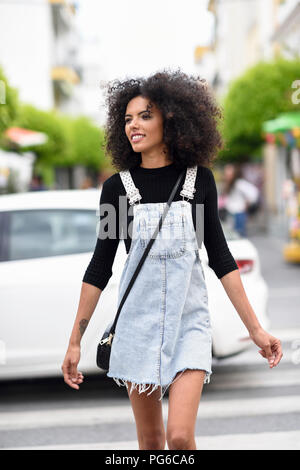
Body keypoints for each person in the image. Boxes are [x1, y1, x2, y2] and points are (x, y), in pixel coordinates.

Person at [61, 70, 283, 450]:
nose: (134, 125)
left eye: (145, 115)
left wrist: (257, 330)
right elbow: (99, 268)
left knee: (180, 437)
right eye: (128, 118)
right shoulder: (116, 190)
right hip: (136, 327)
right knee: (150, 442)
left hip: (189, 325)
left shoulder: (200, 182)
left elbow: (222, 258)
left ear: (172, 119)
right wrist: (75, 341)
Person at [222, 163, 260, 237]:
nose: (227, 175)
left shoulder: (239, 183)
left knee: (239, 236)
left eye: (229, 173)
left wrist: (248, 204)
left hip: (238, 214)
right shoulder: (229, 185)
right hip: (231, 214)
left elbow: (254, 192)